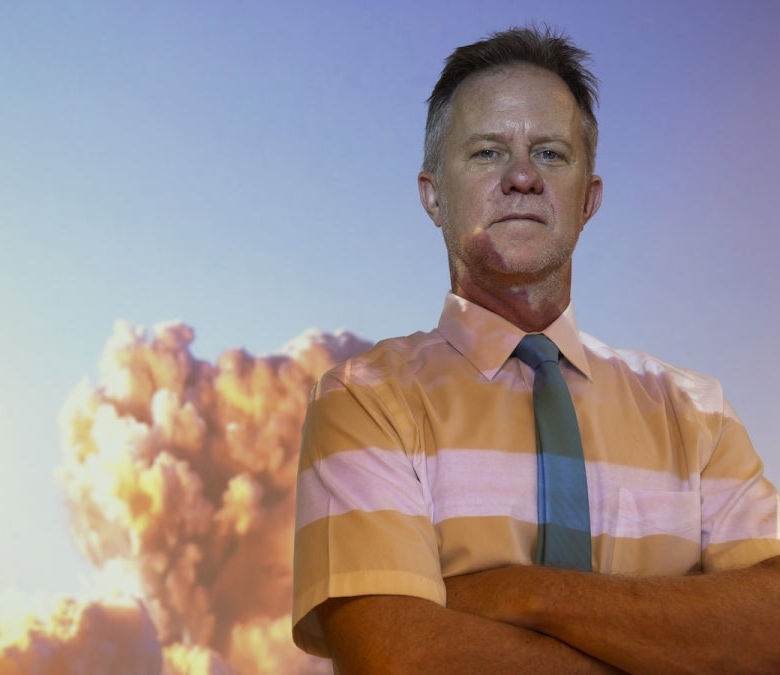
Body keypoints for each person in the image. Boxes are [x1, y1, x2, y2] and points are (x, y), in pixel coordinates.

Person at [291, 25, 780, 674]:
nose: (521, 176)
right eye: (488, 152)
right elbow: (398, 658)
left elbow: (770, 624)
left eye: (550, 154)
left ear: (589, 199)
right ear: (432, 194)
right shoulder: (363, 400)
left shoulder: (698, 412)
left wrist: (518, 591)